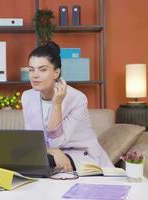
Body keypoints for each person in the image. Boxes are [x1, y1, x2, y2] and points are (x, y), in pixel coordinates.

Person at [21, 41, 113, 172]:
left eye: (42, 69)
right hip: (49, 153)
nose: (35, 75)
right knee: (13, 156)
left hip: (80, 155)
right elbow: (32, 139)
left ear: (56, 73)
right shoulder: (27, 97)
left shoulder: (77, 99)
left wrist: (57, 103)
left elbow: (56, 142)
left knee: (42, 161)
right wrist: (52, 151)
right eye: (31, 69)